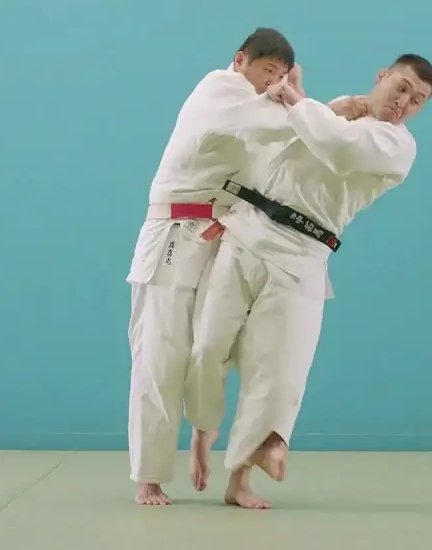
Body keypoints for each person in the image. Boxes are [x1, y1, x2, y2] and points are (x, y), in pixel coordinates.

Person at [183, 54, 432, 509]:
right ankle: (204, 429)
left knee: (275, 372)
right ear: (382, 76)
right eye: (401, 87)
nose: (404, 103)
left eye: (417, 101)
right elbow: (289, 138)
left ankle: (239, 478)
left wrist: (303, 101)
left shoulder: (398, 147)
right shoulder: (338, 108)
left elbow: (337, 145)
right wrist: (318, 103)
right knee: (206, 347)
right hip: (248, 230)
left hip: (303, 253)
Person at [125, 27, 305, 506]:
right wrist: (301, 103)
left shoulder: (267, 109)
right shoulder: (219, 88)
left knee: (214, 347)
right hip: (173, 235)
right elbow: (271, 123)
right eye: (267, 71)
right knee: (161, 354)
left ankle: (209, 441)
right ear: (240, 59)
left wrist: (299, 104)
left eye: (281, 75)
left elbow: (289, 145)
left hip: (221, 235)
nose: (273, 82)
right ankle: (149, 476)